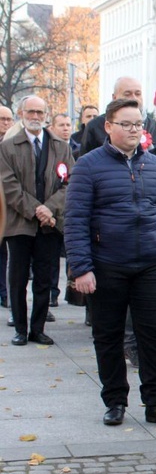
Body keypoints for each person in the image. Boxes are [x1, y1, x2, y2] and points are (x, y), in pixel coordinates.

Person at [65, 98, 156, 427]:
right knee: (108, 335)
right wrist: (81, 269)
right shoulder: (89, 166)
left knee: (152, 335)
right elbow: (75, 221)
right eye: (127, 124)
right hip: (107, 265)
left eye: (139, 125)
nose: (134, 131)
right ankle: (115, 400)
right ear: (109, 126)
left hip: (150, 264)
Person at [0, 96, 74, 346]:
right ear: (21, 113)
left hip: (50, 224)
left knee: (44, 278)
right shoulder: (8, 147)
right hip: (20, 224)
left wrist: (49, 209)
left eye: (40, 112)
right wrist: (37, 209)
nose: (35, 116)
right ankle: (20, 328)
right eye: (30, 111)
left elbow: (69, 183)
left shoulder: (61, 147)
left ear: (46, 115)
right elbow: (10, 188)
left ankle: (38, 328)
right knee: (18, 278)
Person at [80, 78, 156, 174]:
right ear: (114, 97)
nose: (134, 98)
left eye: (138, 94)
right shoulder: (95, 127)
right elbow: (84, 169)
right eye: (127, 94)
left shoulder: (155, 128)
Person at [48, 113, 77, 307]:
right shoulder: (49, 149)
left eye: (68, 124)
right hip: (49, 215)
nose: (66, 128)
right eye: (61, 125)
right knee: (49, 260)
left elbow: (72, 181)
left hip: (68, 212)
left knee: (70, 256)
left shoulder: (75, 149)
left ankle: (68, 290)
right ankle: (51, 294)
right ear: (52, 126)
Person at [0, 105, 15, 309]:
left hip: (8, 206)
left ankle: (4, 293)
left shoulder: (13, 145)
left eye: (8, 119)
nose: (5, 123)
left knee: (6, 254)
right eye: (1, 119)